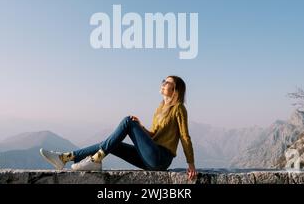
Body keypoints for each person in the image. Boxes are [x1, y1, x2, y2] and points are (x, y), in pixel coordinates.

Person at [40, 75, 197, 181]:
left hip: (161, 158)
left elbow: (185, 136)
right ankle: (65, 158)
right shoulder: (160, 108)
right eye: (164, 80)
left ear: (175, 89)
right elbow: (154, 135)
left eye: (167, 82)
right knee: (113, 144)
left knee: (127, 121)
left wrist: (190, 164)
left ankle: (94, 159)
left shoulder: (179, 108)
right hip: (150, 157)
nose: (163, 83)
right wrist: (141, 128)